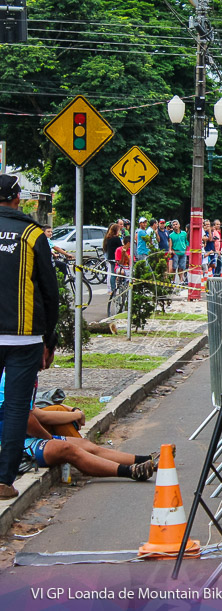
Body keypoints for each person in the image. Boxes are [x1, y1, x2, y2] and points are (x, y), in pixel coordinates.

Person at [0, 174, 60, 499]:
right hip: (24, 338)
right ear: (17, 198)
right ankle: (3, 479)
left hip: (20, 337)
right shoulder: (32, 234)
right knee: (15, 408)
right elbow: (50, 292)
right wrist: (49, 341)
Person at [0, 371, 156, 482]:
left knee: (85, 444)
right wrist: (51, 439)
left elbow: (35, 412)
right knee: (68, 450)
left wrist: (72, 412)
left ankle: (148, 460)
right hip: (12, 444)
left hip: (24, 437)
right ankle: (130, 471)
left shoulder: (28, 372)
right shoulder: (18, 375)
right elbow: (27, 420)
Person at [102, 223, 122, 291]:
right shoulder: (116, 238)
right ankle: (114, 288)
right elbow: (120, 247)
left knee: (113, 272)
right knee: (115, 273)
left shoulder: (108, 238)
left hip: (110, 257)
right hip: (115, 258)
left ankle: (112, 287)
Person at [168, 220, 188, 286]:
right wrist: (171, 250)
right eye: (174, 225)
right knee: (174, 267)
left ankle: (181, 280)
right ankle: (173, 280)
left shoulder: (184, 233)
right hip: (176, 252)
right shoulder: (171, 235)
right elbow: (170, 245)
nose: (175, 226)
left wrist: (186, 249)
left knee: (182, 267)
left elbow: (186, 242)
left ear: (179, 225)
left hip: (183, 252)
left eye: (176, 224)